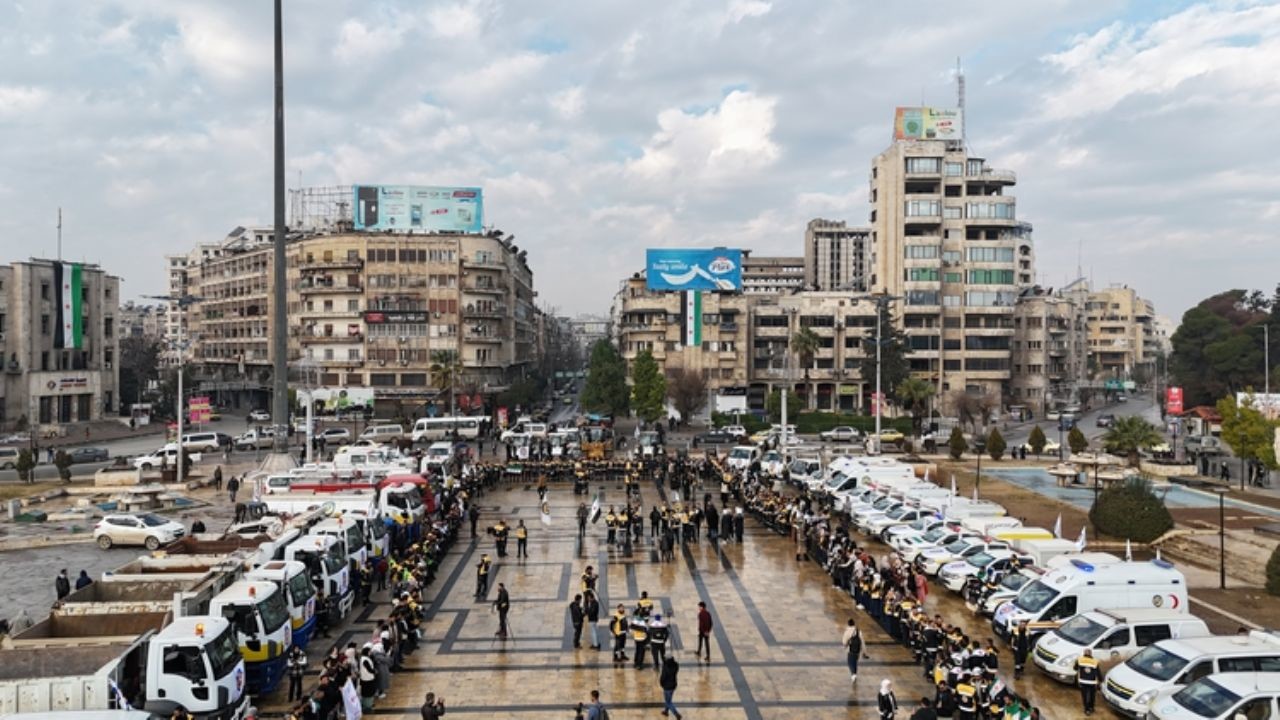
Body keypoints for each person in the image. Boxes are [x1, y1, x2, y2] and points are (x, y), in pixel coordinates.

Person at [1075, 647, 1100, 715]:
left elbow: (1075, 668)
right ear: (1091, 654)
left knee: (1085, 696)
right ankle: (1091, 707)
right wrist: (1100, 681)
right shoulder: (1095, 661)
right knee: (1092, 695)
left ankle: (1087, 710)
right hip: (1092, 682)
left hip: (1083, 681)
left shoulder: (1080, 660)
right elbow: (1098, 673)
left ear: (1084, 653)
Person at [659, 654, 682, 719]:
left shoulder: (665, 667)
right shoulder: (676, 665)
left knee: (668, 702)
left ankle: (676, 714)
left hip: (667, 686)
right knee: (669, 699)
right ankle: (666, 711)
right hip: (673, 685)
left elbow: (663, 677)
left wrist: (661, 683)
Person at [842, 619, 865, 684]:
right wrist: (864, 652)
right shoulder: (858, 631)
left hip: (850, 650)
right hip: (857, 650)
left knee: (850, 662)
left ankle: (853, 674)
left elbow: (844, 641)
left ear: (848, 624)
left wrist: (845, 646)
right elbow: (862, 642)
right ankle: (854, 674)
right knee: (855, 662)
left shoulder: (847, 631)